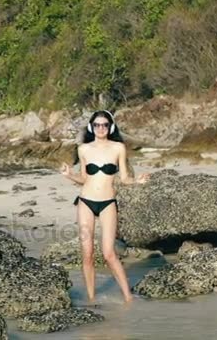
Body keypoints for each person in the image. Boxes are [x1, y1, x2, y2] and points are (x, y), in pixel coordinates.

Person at [60, 110, 149, 303]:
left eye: (105, 125)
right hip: (86, 202)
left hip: (108, 202)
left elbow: (124, 178)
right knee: (87, 253)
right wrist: (69, 175)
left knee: (109, 253)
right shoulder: (83, 149)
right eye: (98, 125)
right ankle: (91, 299)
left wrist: (136, 181)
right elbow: (84, 178)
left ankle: (128, 298)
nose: (101, 128)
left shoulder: (118, 147)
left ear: (111, 127)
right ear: (92, 127)